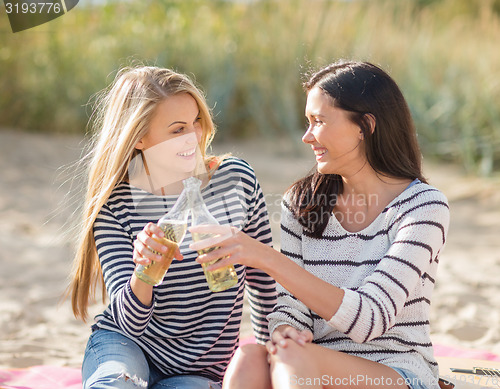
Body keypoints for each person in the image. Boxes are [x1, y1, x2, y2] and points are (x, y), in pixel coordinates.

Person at [190, 60, 450, 389]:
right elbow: (290, 304)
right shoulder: (301, 202)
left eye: (318, 122)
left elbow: (370, 318)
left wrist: (266, 257)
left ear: (365, 126)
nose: (306, 136)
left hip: (397, 371)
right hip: (311, 366)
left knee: (295, 360)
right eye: (306, 122)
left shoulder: (424, 205)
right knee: (248, 360)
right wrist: (285, 329)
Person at [67, 65, 277, 389]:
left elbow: (264, 278)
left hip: (199, 369)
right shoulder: (116, 204)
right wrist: (144, 272)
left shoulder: (235, 180)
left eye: (196, 122)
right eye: (178, 129)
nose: (194, 137)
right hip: (126, 346)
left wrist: (270, 353)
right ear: (139, 137)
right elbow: (129, 324)